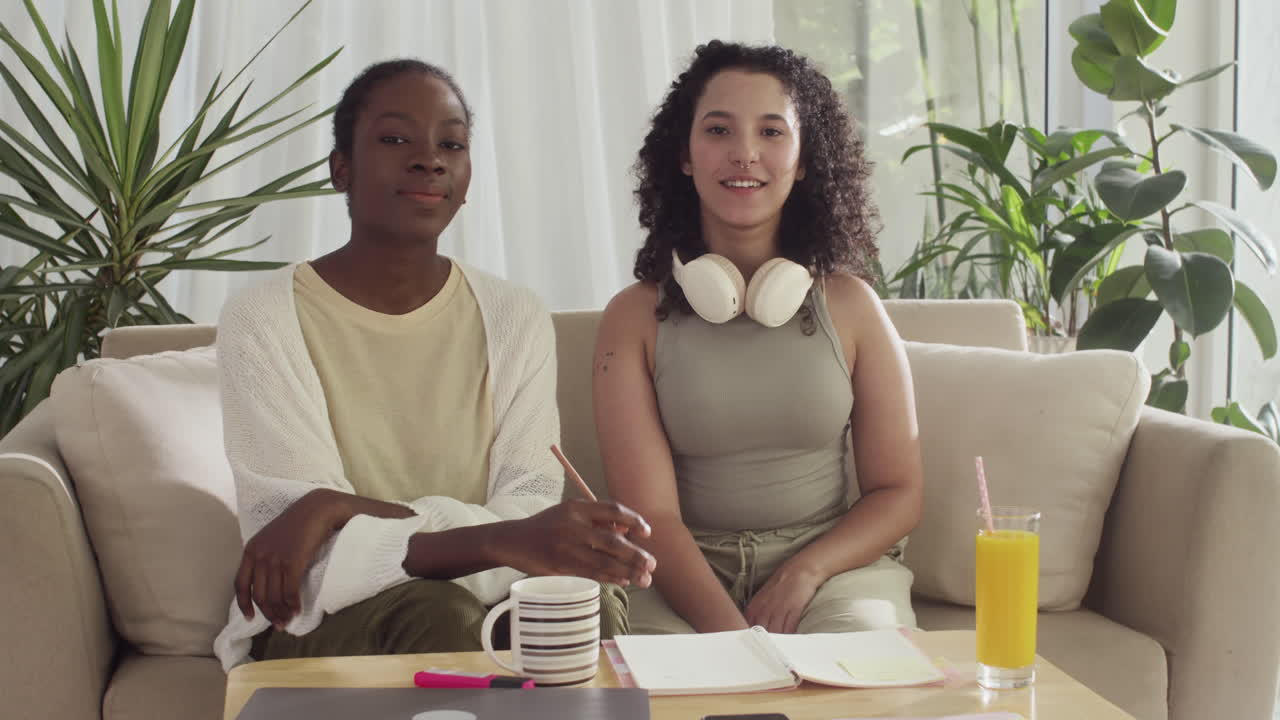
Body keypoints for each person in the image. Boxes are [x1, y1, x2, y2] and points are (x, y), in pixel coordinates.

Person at [212, 59, 655, 671]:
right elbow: (319, 561)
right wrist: (495, 539)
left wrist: (336, 506)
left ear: (468, 177)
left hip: (486, 589)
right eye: (396, 139)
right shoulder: (262, 319)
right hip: (321, 613)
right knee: (438, 614)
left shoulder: (514, 316)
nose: (429, 160)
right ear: (341, 168)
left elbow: (528, 507)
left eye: (452, 144)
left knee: (583, 602)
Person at [593, 41, 922, 636]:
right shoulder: (633, 318)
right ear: (686, 155)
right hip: (677, 574)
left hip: (832, 571)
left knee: (865, 681)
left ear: (801, 160)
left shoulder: (851, 306)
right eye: (718, 130)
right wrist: (739, 644)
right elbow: (653, 517)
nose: (744, 154)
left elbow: (899, 492)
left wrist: (805, 572)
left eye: (772, 132)